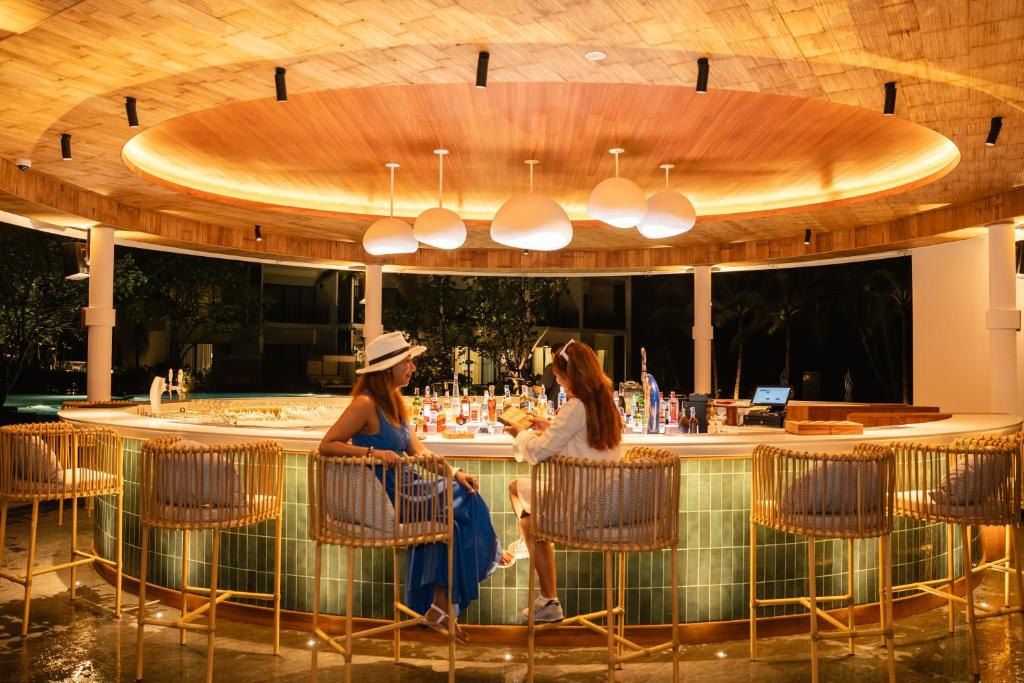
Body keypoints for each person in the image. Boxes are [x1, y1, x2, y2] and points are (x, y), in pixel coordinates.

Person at [320, 331, 509, 643]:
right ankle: (486, 556)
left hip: (411, 486)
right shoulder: (365, 404)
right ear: (388, 368)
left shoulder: (395, 403)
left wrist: (455, 472)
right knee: (464, 501)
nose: (413, 367)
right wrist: (372, 453)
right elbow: (327, 444)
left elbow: (419, 452)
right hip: (390, 496)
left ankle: (440, 604)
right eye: (407, 361)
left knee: (458, 508)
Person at [504, 338, 623, 622]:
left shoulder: (575, 406)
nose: (557, 382)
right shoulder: (605, 403)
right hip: (605, 500)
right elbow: (583, 438)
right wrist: (549, 426)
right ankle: (531, 546)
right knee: (525, 508)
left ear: (571, 375)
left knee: (522, 505)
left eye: (558, 376)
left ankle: (547, 595)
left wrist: (520, 432)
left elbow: (537, 452)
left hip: (581, 505)